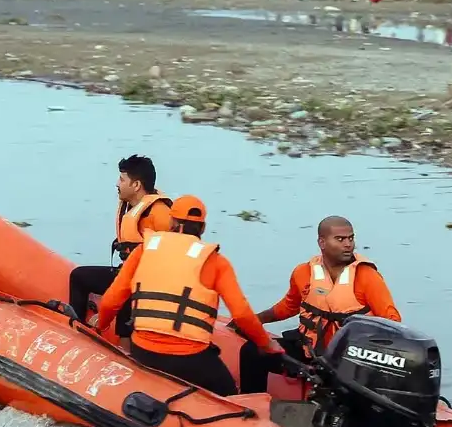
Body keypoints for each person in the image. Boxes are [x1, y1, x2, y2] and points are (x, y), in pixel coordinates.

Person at [93, 195, 281, 397]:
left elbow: (111, 300)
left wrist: (101, 324)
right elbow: (242, 315)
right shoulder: (216, 261)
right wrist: (266, 343)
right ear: (202, 229)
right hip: (191, 358)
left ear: (172, 222)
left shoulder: (144, 250)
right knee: (232, 397)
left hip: (144, 351)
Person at [237, 215, 401, 393]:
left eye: (351, 238)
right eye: (340, 239)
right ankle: (252, 409)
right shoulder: (303, 272)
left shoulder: (367, 277)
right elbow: (288, 306)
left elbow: (392, 320)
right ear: (322, 243)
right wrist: (254, 321)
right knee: (252, 352)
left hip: (350, 361)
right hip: (309, 353)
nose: (348, 244)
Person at [67, 155, 171, 341]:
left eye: (122, 179)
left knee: (127, 298)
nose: (117, 183)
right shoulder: (129, 207)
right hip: (127, 274)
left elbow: (173, 255)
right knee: (79, 276)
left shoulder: (160, 213)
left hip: (148, 283)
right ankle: (77, 333)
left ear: (136, 185)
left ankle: (127, 354)